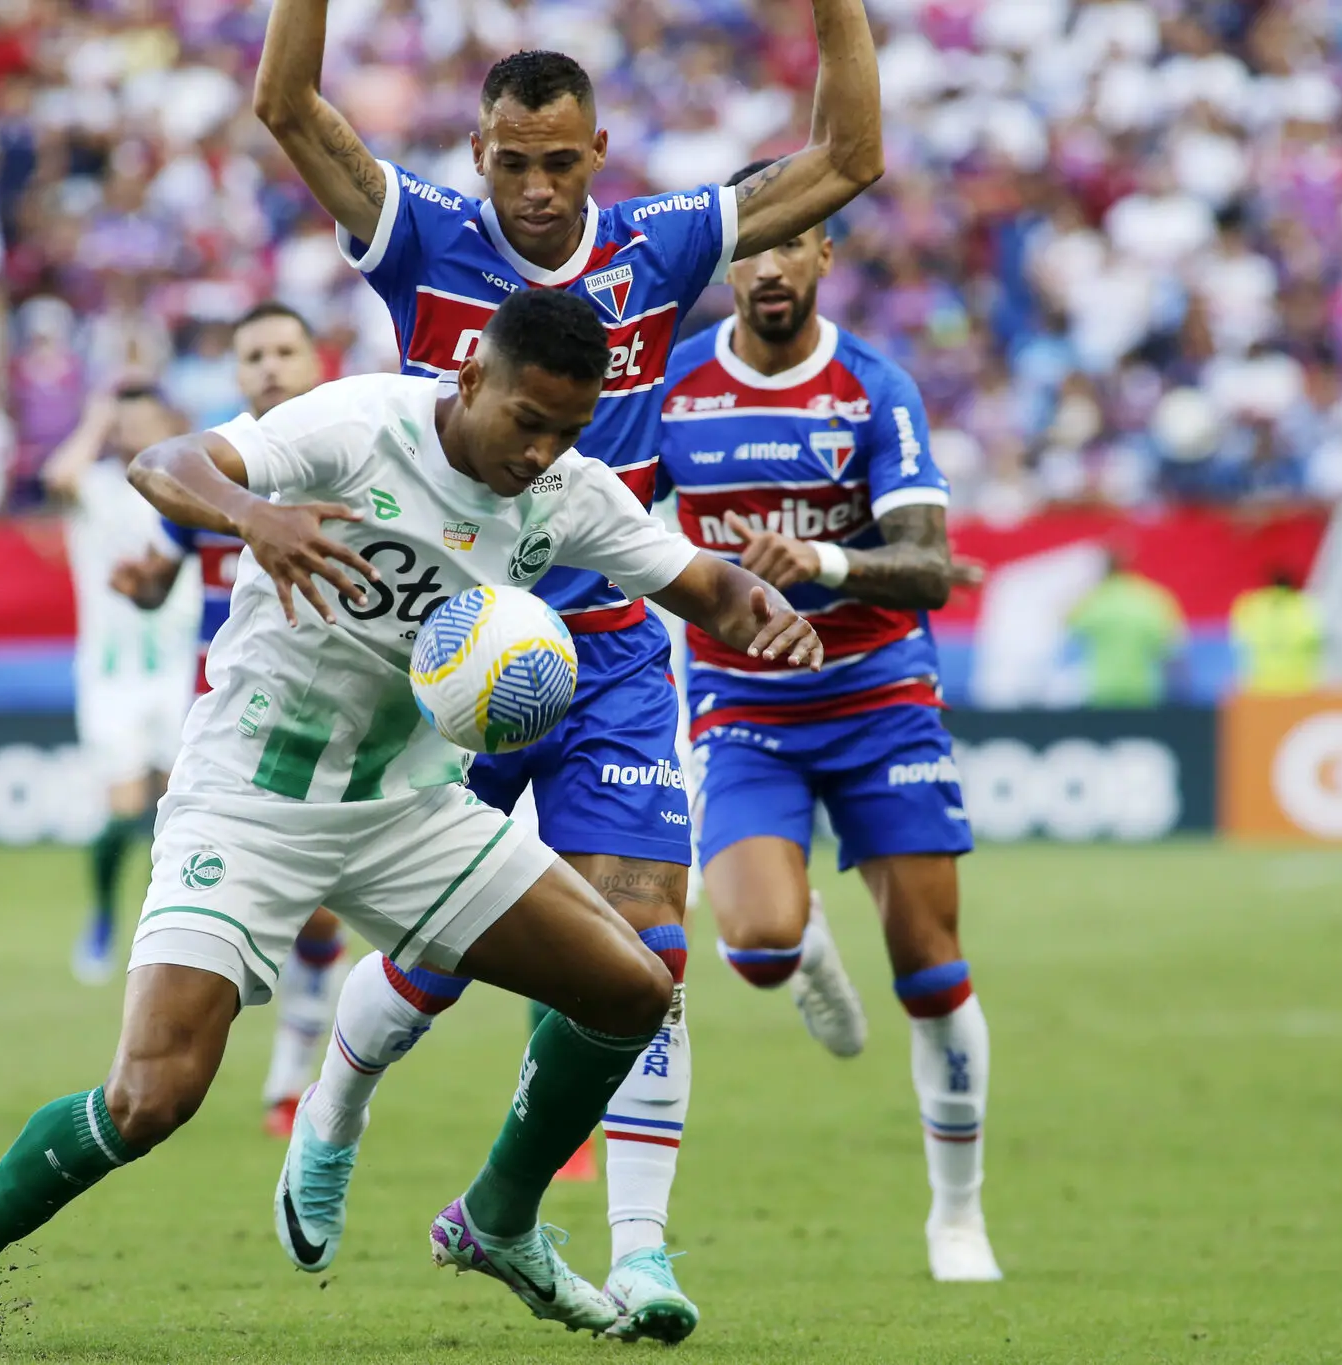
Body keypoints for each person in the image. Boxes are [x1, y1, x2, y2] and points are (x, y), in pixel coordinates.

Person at [0, 290, 822, 1355]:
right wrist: (253, 516)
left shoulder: (565, 493)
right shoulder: (355, 426)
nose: (541, 450)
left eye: (567, 429)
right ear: (471, 377)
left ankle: (500, 1220)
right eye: (527, 421)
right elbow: (165, 466)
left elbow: (699, 580)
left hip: (405, 807)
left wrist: (760, 610)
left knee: (630, 989)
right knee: (152, 1098)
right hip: (249, 797)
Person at [253, 5, 882, 1336]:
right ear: (476, 152)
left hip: (608, 652)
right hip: (444, 650)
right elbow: (289, 111)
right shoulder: (420, 233)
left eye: (561, 164)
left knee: (648, 942)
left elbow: (846, 159)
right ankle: (337, 1102)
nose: (537, 191)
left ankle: (642, 1249)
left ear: (599, 150)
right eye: (511, 164)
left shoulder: (663, 243)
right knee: (436, 955)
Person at [655, 164, 1001, 1281]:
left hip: (875, 696)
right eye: (749, 246)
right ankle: (800, 945)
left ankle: (955, 1215)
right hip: (741, 696)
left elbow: (930, 567)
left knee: (929, 968)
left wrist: (825, 559)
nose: (766, 265)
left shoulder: (872, 386)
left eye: (789, 244)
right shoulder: (672, 386)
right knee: (752, 948)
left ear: (822, 260)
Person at [111, 302, 351, 1136]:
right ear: (236, 374)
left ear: (316, 360)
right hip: (220, 714)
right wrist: (141, 583)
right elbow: (164, 567)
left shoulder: (343, 456)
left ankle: (292, 1068)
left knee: (315, 908)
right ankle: (198, 1047)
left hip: (318, 706)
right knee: (204, 881)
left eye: (287, 349)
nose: (272, 366)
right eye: (254, 354)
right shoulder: (210, 468)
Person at [41, 383, 202, 984]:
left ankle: (159, 929)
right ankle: (104, 915)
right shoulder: (97, 488)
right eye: (123, 423)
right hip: (112, 678)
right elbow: (57, 477)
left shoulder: (185, 484)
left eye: (144, 421)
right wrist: (95, 417)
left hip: (178, 674)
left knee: (172, 810)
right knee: (124, 808)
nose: (132, 432)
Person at [1069, 547, 1188, 707]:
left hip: (1102, 689)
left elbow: (1069, 629)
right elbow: (1172, 648)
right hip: (1144, 690)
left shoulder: (1094, 600)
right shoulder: (1153, 598)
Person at [1229, 568, 1322, 694]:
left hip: (1260, 684)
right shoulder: (1302, 606)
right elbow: (1316, 639)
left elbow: (1237, 638)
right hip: (1297, 684)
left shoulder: (1253, 605)